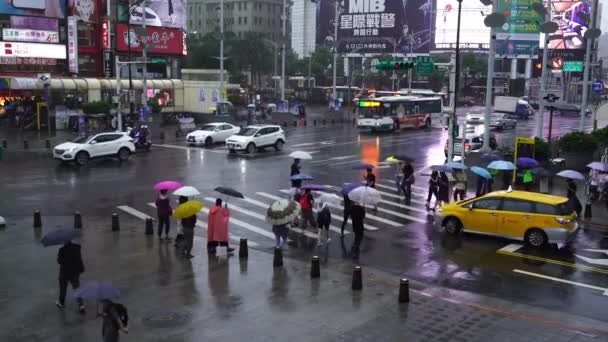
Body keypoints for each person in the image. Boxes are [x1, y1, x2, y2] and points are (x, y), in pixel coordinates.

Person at [56, 240, 85, 313]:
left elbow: (59, 261)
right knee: (77, 288)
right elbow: (79, 259)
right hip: (75, 272)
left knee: (63, 288)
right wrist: (81, 268)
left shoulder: (62, 250)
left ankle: (61, 302)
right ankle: (81, 305)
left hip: (64, 272)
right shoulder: (77, 247)